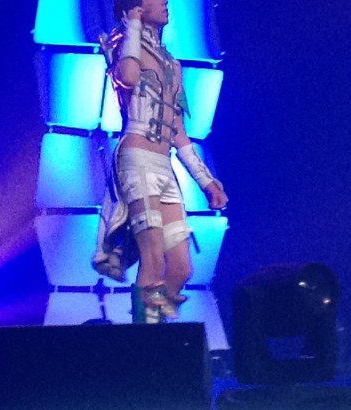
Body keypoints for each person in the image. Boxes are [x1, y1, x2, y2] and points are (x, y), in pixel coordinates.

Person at [92, 0, 228, 324]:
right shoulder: (123, 44)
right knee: (152, 258)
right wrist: (133, 27)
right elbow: (127, 77)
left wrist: (206, 181)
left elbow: (178, 130)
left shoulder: (172, 64)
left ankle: (152, 326)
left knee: (181, 268)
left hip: (163, 165)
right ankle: (145, 342)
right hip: (136, 158)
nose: (165, 1)